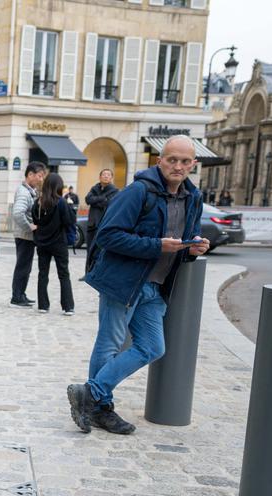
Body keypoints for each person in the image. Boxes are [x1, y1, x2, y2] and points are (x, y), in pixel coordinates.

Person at [68, 135, 208, 435]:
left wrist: (193, 247)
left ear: (193, 164)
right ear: (160, 160)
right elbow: (108, 235)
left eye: (185, 161)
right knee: (109, 344)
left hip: (156, 286)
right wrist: (156, 246)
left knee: (152, 347)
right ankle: (101, 408)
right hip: (124, 282)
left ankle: (89, 395)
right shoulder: (138, 191)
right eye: (172, 159)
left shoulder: (193, 197)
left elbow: (188, 237)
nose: (178, 166)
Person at [32, 173, 75, 315]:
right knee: (63, 274)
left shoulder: (39, 202)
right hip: (58, 242)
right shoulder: (61, 202)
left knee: (42, 273)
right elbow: (68, 222)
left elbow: (36, 221)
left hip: (43, 243)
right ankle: (68, 306)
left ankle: (43, 305)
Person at [10, 162, 46, 307]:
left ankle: (21, 294)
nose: (41, 179)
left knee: (26, 266)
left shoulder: (30, 190)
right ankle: (17, 297)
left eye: (43, 176)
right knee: (23, 266)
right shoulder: (24, 192)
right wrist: (30, 227)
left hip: (26, 236)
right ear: (30, 174)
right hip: (24, 236)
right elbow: (18, 213)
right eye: (39, 175)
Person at [83, 169, 120, 276]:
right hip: (92, 224)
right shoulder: (94, 188)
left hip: (103, 225)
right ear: (100, 177)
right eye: (104, 174)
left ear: (111, 178)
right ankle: (88, 273)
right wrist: (101, 199)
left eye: (108, 175)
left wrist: (96, 201)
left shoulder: (115, 191)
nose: (106, 176)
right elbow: (88, 199)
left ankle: (98, 273)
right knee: (89, 250)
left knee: (100, 251)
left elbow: (109, 203)